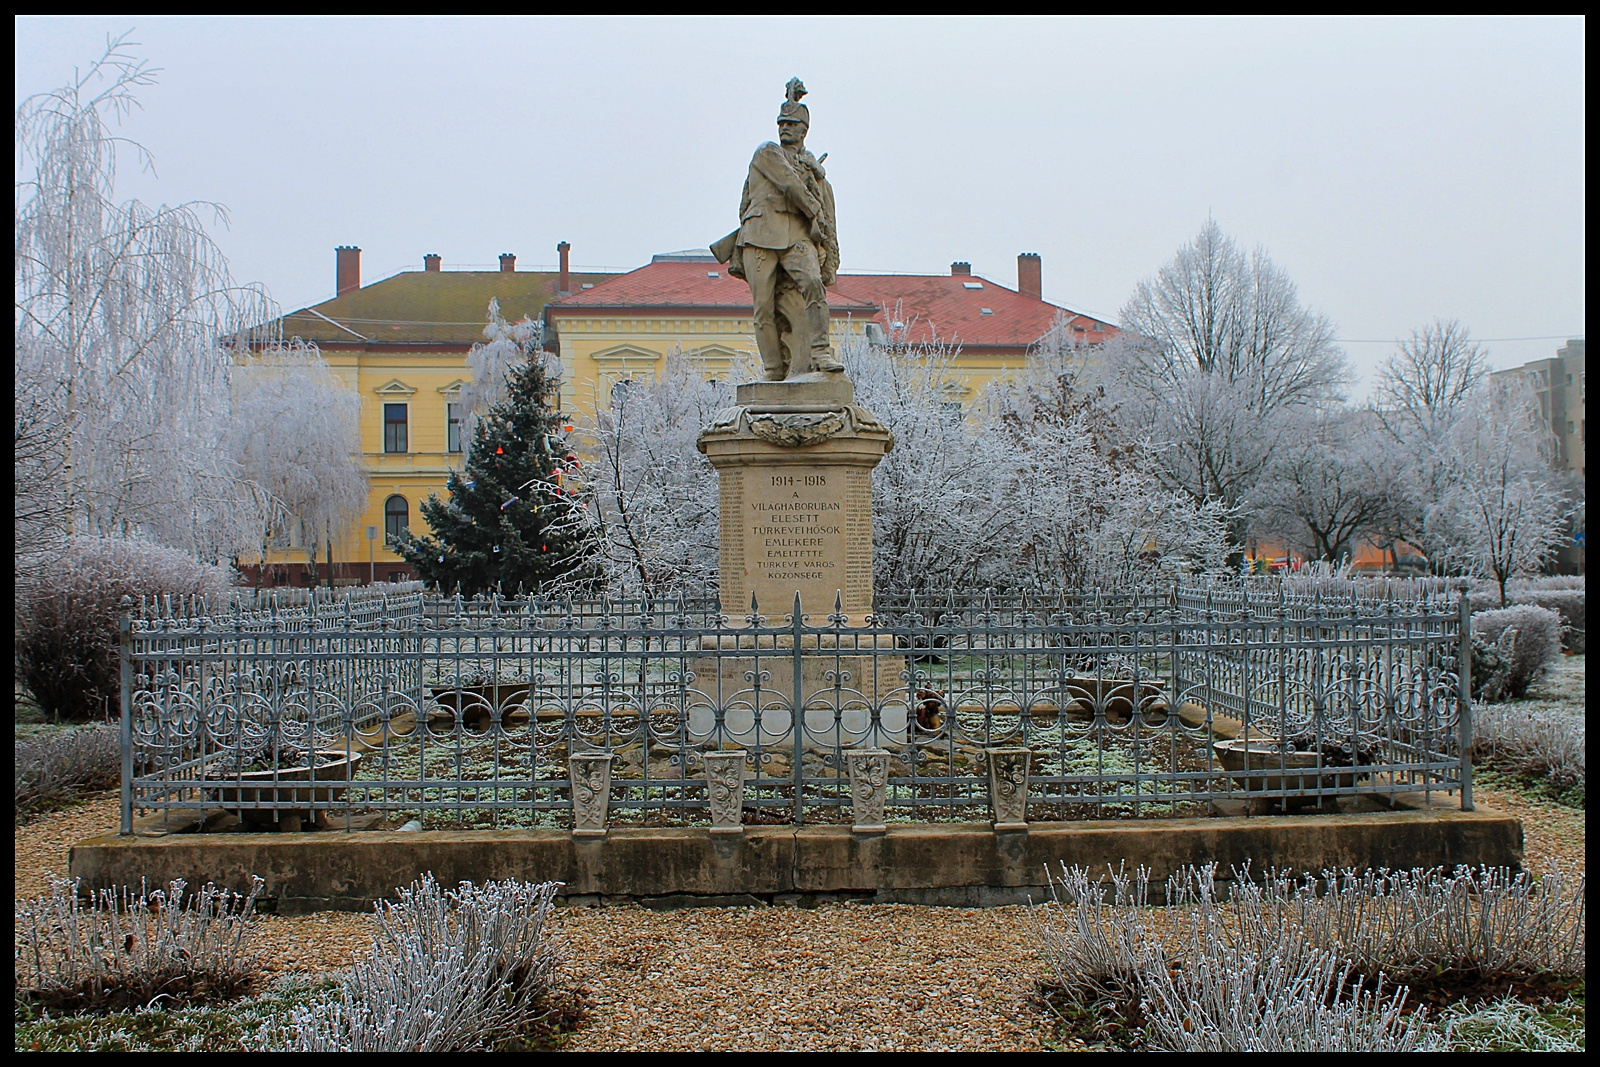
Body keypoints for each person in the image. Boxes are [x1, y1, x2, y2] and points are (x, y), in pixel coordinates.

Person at [712, 79, 843, 380]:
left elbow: (826, 204)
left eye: (792, 123)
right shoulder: (767, 152)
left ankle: (820, 351)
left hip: (795, 234)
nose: (785, 127)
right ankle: (773, 371)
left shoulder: (810, 167)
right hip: (760, 237)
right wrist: (814, 202)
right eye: (781, 122)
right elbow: (789, 184)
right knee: (764, 309)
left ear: (803, 130)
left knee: (813, 284)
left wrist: (816, 176)